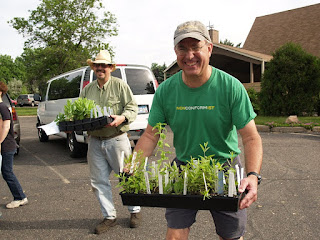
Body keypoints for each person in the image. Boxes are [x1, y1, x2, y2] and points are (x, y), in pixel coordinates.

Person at [134, 21, 263, 240]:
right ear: (176, 52)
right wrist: (133, 167)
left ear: (209, 48)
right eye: (182, 48)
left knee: (230, 236)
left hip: (225, 169)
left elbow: (250, 137)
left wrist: (252, 175)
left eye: (196, 47)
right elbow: (150, 134)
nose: (189, 55)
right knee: (175, 235)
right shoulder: (166, 91)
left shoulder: (230, 87)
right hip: (184, 168)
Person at [80, 50, 141, 234]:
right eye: (97, 65)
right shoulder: (87, 90)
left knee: (127, 176)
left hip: (117, 139)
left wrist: (123, 117)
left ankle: (135, 211)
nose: (100, 68)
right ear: (94, 68)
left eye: (104, 65)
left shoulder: (120, 86)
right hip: (95, 141)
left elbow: (132, 107)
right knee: (98, 181)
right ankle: (109, 217)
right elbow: (80, 113)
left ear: (110, 68)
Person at [0, 82, 28, 209]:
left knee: (7, 172)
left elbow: (6, 126)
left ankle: (20, 197)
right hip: (5, 145)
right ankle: (20, 197)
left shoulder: (2, 107)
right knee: (6, 172)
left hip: (7, 145)